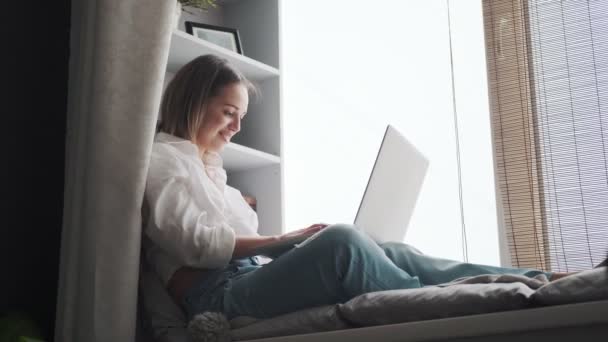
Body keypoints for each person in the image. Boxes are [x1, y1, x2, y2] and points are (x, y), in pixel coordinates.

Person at [143, 54, 570, 322]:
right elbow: (194, 244)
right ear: (196, 102)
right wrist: (282, 241)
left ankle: (544, 280)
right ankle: (456, 301)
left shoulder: (215, 174)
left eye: (241, 117)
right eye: (229, 112)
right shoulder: (162, 160)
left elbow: (248, 246)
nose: (237, 127)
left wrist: (290, 243)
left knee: (393, 250)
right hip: (218, 296)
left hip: (251, 276)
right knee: (343, 241)